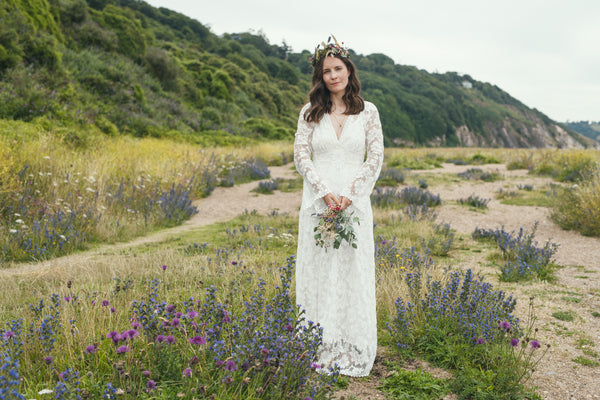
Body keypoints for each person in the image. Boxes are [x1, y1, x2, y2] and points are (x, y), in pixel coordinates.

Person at [293, 35, 384, 377]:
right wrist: (324, 192)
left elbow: (375, 156)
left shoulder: (368, 111)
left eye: (338, 68)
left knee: (351, 272)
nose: (332, 75)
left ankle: (351, 344)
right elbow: (301, 155)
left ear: (349, 71)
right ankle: (319, 344)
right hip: (318, 203)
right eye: (326, 71)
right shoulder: (310, 112)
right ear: (320, 77)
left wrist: (350, 194)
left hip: (354, 204)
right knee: (319, 270)